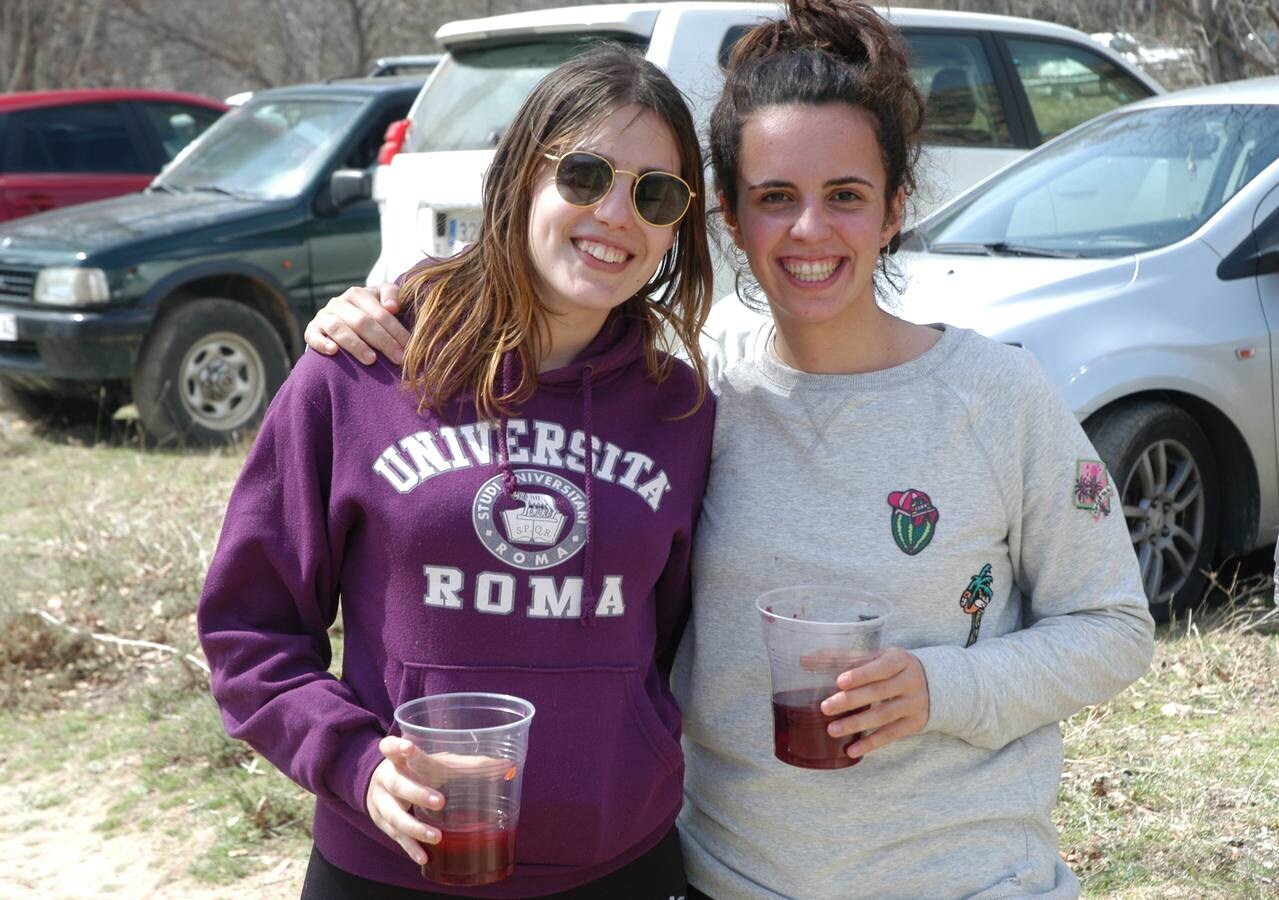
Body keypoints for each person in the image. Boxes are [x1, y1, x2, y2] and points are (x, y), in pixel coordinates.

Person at [303, 1, 1156, 897]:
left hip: (968, 877)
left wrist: (940, 688)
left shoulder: (997, 396)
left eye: (846, 197)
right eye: (775, 198)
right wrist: (399, 302)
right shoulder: (701, 402)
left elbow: (1111, 629)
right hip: (729, 879)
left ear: (895, 209)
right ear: (729, 217)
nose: (809, 231)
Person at [197, 46, 716, 899]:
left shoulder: (681, 413)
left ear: (675, 226)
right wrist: (356, 764)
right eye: (584, 175)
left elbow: (679, 637)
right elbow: (249, 630)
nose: (617, 213)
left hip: (619, 861)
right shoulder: (364, 367)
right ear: (520, 176)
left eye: (654, 193)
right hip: (394, 862)